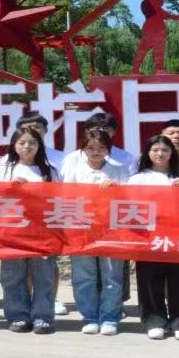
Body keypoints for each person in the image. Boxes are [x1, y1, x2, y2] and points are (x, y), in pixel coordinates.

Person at [0, 127, 59, 335]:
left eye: (32, 142)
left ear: (39, 146)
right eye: (22, 142)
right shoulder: (2, 171)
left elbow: (59, 200)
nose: (27, 146)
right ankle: (17, 315)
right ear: (14, 145)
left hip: (42, 232)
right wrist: (9, 189)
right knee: (13, 276)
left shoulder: (50, 171)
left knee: (44, 276)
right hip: (12, 232)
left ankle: (42, 317)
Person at [129, 135, 179, 340]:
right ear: (147, 153)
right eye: (155, 150)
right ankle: (154, 320)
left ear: (172, 153)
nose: (160, 154)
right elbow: (130, 207)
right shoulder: (138, 178)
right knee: (149, 278)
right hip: (149, 235)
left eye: (165, 150)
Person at [66, 128, 130, 336]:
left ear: (108, 149)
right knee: (84, 275)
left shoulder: (119, 169)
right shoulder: (74, 170)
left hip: (112, 229)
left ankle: (110, 317)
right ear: (82, 149)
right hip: (81, 228)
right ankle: (89, 316)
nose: (95, 152)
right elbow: (64, 197)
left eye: (101, 148)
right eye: (90, 148)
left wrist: (117, 189)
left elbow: (131, 198)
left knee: (112, 275)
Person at [59, 112, 138, 178]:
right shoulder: (72, 158)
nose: (101, 133)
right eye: (96, 129)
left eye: (105, 129)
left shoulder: (127, 158)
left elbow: (132, 185)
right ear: (87, 131)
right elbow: (65, 186)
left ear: (114, 132)